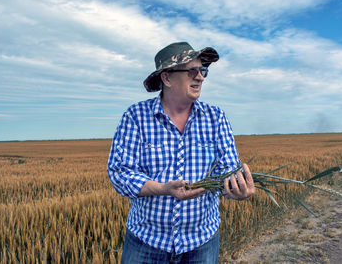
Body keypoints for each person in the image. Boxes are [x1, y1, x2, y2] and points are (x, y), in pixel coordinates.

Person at [107, 41, 255, 263]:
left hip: (201, 242)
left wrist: (236, 188)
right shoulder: (136, 116)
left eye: (203, 71)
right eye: (191, 71)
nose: (200, 77)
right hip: (146, 241)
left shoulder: (215, 117)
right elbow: (120, 173)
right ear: (166, 78)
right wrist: (162, 189)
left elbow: (227, 171)